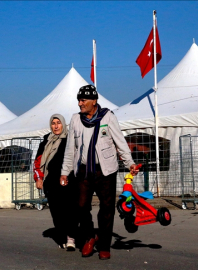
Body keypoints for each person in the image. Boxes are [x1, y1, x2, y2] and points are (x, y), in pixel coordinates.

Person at [59, 85, 139, 260]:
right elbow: (70, 149)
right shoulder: (75, 120)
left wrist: (130, 163)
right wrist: (65, 171)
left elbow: (120, 142)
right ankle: (89, 237)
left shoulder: (108, 117)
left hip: (105, 171)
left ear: (94, 101)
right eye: (78, 100)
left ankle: (104, 246)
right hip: (83, 171)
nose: (80, 104)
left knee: (107, 209)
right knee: (81, 207)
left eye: (83, 100)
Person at [33, 114, 77, 251]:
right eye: (53, 123)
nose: (56, 126)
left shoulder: (70, 139)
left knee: (69, 210)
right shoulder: (46, 141)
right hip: (51, 182)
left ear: (63, 124)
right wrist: (38, 178)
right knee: (56, 211)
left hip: (68, 180)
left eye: (58, 123)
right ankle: (62, 236)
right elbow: (38, 162)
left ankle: (71, 237)